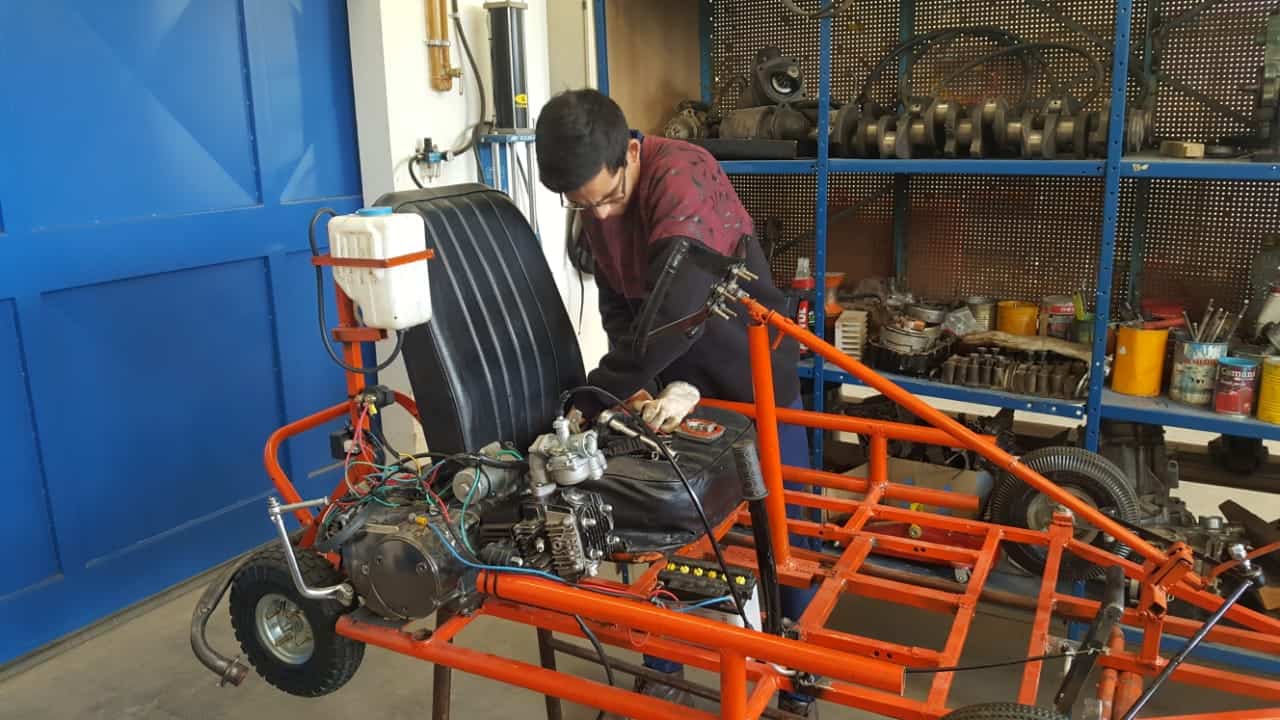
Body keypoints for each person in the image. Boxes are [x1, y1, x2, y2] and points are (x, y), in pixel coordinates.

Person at [535, 88, 820, 717]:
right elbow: (619, 306)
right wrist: (639, 386)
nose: (601, 214)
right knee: (667, 526)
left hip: (750, 373)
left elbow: (681, 301)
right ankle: (665, 668)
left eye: (609, 197)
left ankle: (796, 674)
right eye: (584, 205)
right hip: (674, 383)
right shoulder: (598, 202)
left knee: (788, 530)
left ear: (632, 152)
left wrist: (599, 392)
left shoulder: (683, 173)